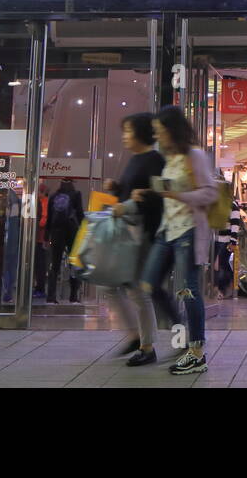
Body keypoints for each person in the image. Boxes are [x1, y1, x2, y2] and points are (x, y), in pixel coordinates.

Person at [129, 105, 215, 375]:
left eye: (159, 131)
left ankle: (196, 352)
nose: (157, 137)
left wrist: (178, 195)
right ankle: (166, 334)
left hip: (189, 230)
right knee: (147, 283)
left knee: (189, 290)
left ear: (171, 130)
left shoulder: (195, 155)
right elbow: (171, 192)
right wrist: (152, 193)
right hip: (167, 231)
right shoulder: (171, 158)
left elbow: (210, 193)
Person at [106, 112, 180, 359]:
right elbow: (133, 193)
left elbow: (160, 195)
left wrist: (139, 198)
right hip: (131, 233)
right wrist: (117, 189)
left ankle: (152, 343)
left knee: (145, 290)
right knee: (125, 286)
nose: (124, 136)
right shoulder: (136, 160)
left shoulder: (155, 160)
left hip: (147, 233)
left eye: (128, 131)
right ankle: (140, 338)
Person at [45, 179, 84, 303]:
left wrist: (47, 237)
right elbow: (80, 214)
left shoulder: (53, 197)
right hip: (72, 232)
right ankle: (73, 295)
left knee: (54, 266)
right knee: (74, 264)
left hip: (56, 233)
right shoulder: (76, 195)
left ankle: (51, 296)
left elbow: (49, 219)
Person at [214, 197, 241, 299]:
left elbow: (235, 224)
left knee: (222, 265)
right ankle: (226, 287)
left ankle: (223, 289)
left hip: (226, 240)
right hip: (217, 239)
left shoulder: (232, 205)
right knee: (220, 265)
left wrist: (233, 241)